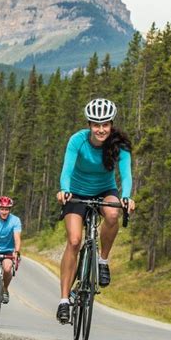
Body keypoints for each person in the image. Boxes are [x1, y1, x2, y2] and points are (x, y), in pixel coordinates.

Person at [55, 98, 135, 324]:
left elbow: (126, 175)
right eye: (96, 124)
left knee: (112, 213)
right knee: (73, 241)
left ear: (111, 125)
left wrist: (127, 197)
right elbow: (66, 170)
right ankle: (63, 301)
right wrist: (64, 190)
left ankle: (102, 261)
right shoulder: (77, 141)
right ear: (89, 125)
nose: (101, 129)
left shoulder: (119, 145)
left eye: (105, 124)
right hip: (77, 193)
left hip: (104, 190)